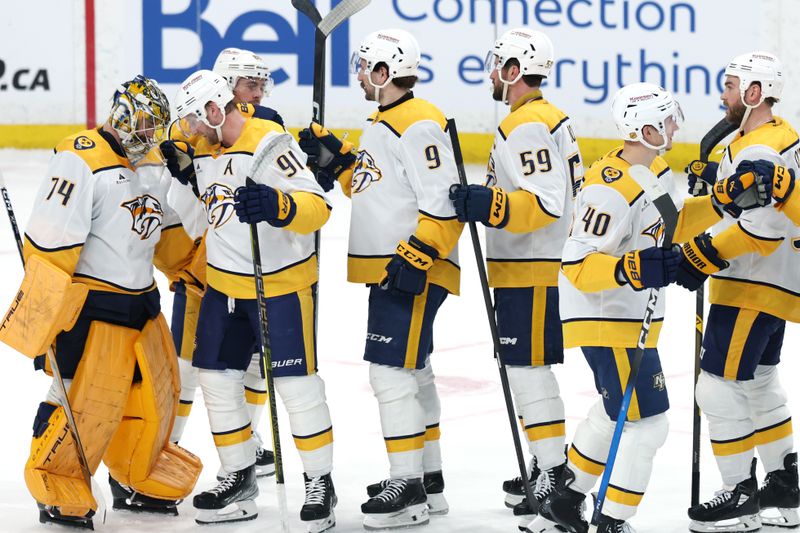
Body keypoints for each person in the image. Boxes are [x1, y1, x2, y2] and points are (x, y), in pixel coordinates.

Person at [526, 82, 769, 533]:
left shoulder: (652, 169)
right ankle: (613, 519)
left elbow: (672, 225)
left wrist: (721, 201)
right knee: (648, 421)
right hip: (605, 316)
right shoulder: (609, 187)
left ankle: (567, 499)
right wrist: (633, 268)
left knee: (615, 410)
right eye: (668, 118)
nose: (676, 124)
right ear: (645, 126)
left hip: (627, 315)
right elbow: (577, 263)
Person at [0, 75, 202, 529]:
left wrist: (194, 268)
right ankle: (56, 479)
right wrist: (43, 321)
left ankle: (135, 477)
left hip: (143, 304)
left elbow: (164, 230)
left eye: (156, 127)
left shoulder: (152, 161)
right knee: (81, 396)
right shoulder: (79, 159)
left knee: (156, 396)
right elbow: (50, 248)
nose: (150, 136)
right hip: (93, 308)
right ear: (122, 116)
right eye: (144, 125)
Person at [297, 28, 463, 529]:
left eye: (366, 66)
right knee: (413, 372)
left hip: (410, 267)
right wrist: (339, 160)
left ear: (385, 72)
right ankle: (426, 481)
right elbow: (377, 189)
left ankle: (408, 487)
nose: (359, 75)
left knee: (389, 374)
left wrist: (418, 255)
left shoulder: (418, 123)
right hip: (396, 265)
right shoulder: (386, 120)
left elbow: (445, 199)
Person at [173, 69, 335, 530]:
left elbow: (318, 206)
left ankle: (320, 481)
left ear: (212, 109)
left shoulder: (269, 142)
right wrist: (184, 178)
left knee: (296, 387)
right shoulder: (204, 150)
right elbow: (204, 211)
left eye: (192, 121)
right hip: (224, 286)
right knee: (217, 380)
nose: (190, 132)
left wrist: (279, 206)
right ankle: (238, 476)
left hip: (280, 284)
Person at [448, 27, 582, 523]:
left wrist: (488, 203)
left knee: (527, 372)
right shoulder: (540, 118)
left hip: (531, 265)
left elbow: (546, 203)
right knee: (526, 371)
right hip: (531, 264)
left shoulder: (526, 124)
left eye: (497, 64)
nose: (491, 73)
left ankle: (553, 470)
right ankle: (547, 460)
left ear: (512, 71)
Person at [681, 51, 800, 533]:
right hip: (774, 283)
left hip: (749, 282)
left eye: (731, 85)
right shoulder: (772, 137)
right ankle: (784, 490)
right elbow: (743, 201)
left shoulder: (761, 149)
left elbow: (760, 226)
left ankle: (740, 495)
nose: (723, 94)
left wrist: (698, 253)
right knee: (758, 384)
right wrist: (713, 186)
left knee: (716, 385)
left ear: (754, 94)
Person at [162, 47, 282, 478]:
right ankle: (163, 447)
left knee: (252, 360)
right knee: (188, 365)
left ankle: (249, 441)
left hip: (244, 270)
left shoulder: (260, 125)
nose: (259, 92)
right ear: (226, 87)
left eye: (261, 84)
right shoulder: (189, 130)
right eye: (251, 84)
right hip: (200, 270)